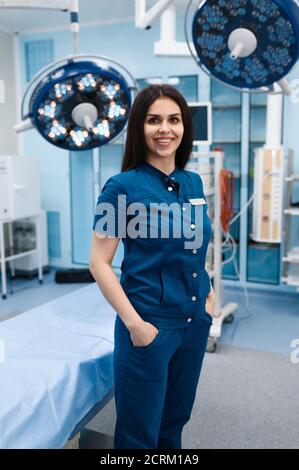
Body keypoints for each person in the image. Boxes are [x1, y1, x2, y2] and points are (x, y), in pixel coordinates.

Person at [89, 84, 215, 449]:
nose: (165, 129)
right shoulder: (120, 188)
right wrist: (136, 325)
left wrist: (209, 297)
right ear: (139, 129)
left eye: (174, 120)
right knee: (139, 433)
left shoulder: (192, 182)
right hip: (148, 327)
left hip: (192, 323)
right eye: (153, 120)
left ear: (184, 127)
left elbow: (196, 246)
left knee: (174, 421)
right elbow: (99, 263)